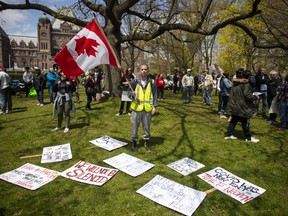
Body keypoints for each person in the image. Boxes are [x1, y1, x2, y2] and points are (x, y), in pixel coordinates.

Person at [224, 68, 259, 142]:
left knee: (233, 120)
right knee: (244, 122)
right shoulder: (245, 84)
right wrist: (256, 97)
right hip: (242, 106)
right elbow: (248, 96)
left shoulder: (234, 84)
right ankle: (248, 138)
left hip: (235, 105)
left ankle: (228, 134)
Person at [128, 64, 158, 152]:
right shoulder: (134, 81)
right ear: (139, 70)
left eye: (145, 69)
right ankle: (134, 143)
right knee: (135, 126)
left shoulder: (152, 82)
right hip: (136, 109)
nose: (143, 71)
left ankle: (147, 142)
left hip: (147, 109)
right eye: (142, 69)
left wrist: (154, 106)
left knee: (147, 127)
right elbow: (129, 94)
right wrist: (132, 95)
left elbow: (155, 95)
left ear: (148, 70)